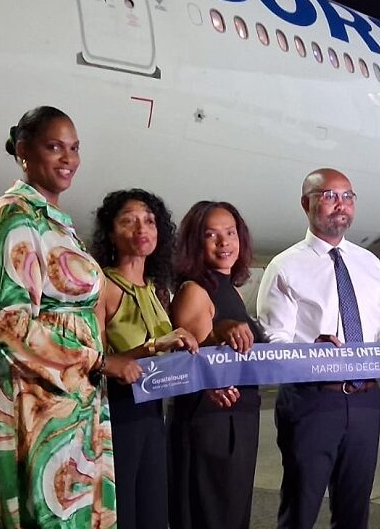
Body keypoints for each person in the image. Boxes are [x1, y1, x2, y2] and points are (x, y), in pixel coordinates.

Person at [0, 106, 141, 529]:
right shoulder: (14, 215)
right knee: (53, 516)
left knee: (80, 514)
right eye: (54, 147)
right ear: (24, 151)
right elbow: (11, 327)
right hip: (36, 396)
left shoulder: (57, 223)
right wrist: (99, 361)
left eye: (74, 148)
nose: (68, 159)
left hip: (71, 394)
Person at [257, 168, 380, 529]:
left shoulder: (368, 263)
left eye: (347, 197)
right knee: (300, 509)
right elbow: (274, 340)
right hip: (313, 402)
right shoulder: (286, 266)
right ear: (306, 204)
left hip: (364, 400)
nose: (339, 205)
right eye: (329, 196)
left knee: (354, 511)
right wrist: (311, 352)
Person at [90, 189, 199, 529]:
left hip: (153, 415)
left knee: (154, 514)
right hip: (118, 416)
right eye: (129, 221)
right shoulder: (103, 285)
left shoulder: (156, 289)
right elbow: (94, 359)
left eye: (149, 221)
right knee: (124, 515)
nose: (142, 229)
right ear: (110, 233)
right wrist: (152, 347)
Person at [167, 201, 263, 529]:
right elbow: (191, 360)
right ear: (195, 242)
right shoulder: (196, 290)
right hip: (212, 425)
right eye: (211, 235)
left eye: (230, 233)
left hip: (236, 421)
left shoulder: (227, 289)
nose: (224, 242)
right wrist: (218, 338)